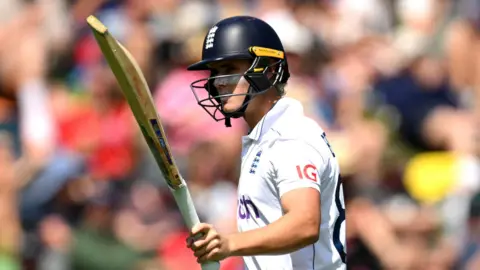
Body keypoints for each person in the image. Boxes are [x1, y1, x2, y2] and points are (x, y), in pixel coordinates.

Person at [185, 16, 346, 270]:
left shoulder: (290, 136)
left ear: (269, 70)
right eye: (215, 73)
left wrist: (230, 244)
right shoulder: (263, 137)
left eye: (229, 70)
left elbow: (305, 223)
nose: (218, 82)